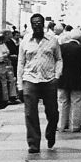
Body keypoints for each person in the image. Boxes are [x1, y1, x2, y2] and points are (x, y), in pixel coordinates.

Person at [17, 13, 63, 153]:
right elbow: (20, 63)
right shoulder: (25, 41)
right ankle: (33, 144)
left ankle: (50, 133)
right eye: (34, 23)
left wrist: (57, 76)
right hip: (30, 79)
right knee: (30, 113)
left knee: (53, 112)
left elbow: (59, 59)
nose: (37, 25)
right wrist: (20, 85)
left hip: (49, 80)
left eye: (39, 23)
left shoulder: (53, 40)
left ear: (43, 24)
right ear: (31, 25)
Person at [57, 29, 81, 133]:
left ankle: (61, 125)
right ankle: (75, 126)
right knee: (76, 102)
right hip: (78, 79)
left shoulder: (61, 47)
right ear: (80, 38)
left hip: (63, 79)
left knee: (63, 102)